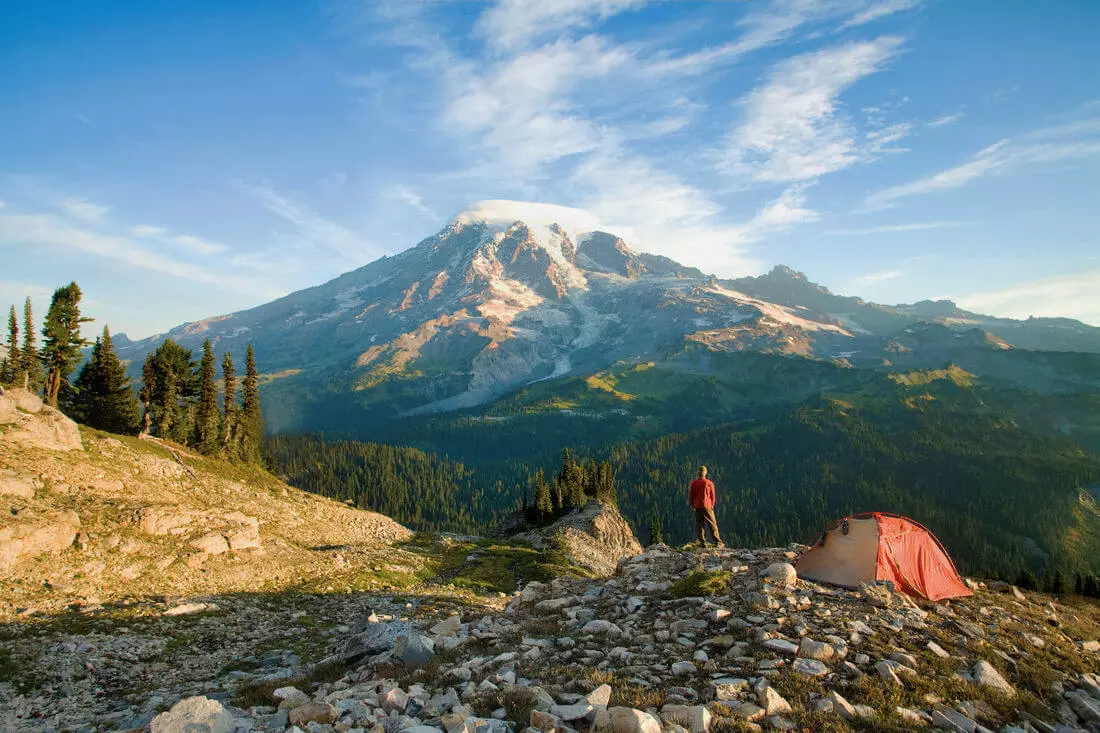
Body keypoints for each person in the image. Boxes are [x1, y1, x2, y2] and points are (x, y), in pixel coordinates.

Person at [689, 465, 724, 548]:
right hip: (707, 506)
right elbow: (713, 496)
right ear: (705, 473)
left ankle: (702, 543)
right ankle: (717, 542)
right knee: (712, 524)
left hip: (697, 506)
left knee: (700, 525)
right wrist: (712, 505)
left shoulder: (694, 483)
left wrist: (693, 505)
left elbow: (691, 496)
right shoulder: (709, 483)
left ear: (698, 473)